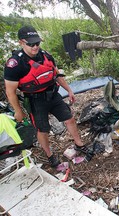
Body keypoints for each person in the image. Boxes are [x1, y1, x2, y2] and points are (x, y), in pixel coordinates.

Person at [4, 25, 93, 168]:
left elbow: (56, 74)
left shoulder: (46, 55)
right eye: (31, 44)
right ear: (21, 42)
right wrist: (18, 110)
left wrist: (69, 90)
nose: (35, 47)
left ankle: (79, 144)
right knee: (42, 130)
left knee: (69, 118)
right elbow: (10, 91)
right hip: (35, 100)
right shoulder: (15, 64)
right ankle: (50, 155)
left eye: (37, 43)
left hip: (53, 95)